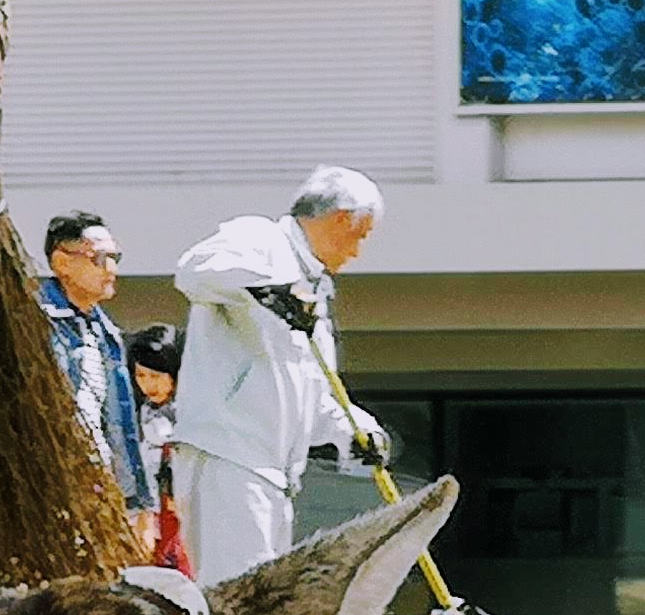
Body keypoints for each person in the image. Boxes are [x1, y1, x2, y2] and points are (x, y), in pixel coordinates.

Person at [170, 167, 391, 581]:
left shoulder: (316, 290)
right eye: (361, 236)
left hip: (275, 474)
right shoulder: (259, 238)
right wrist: (271, 288)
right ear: (342, 218)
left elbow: (315, 394)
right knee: (235, 601)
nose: (357, 253)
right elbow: (193, 271)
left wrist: (356, 431)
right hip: (228, 454)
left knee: (263, 607)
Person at [38, 211, 154, 557]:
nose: (111, 269)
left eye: (114, 258)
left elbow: (122, 428)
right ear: (62, 263)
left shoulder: (107, 332)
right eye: (98, 258)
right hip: (52, 490)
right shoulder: (35, 321)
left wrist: (139, 503)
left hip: (102, 491)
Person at [125, 322, 190, 577]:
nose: (147, 385)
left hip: (179, 508)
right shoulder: (140, 412)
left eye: (156, 376)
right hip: (149, 507)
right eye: (141, 376)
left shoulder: (190, 414)